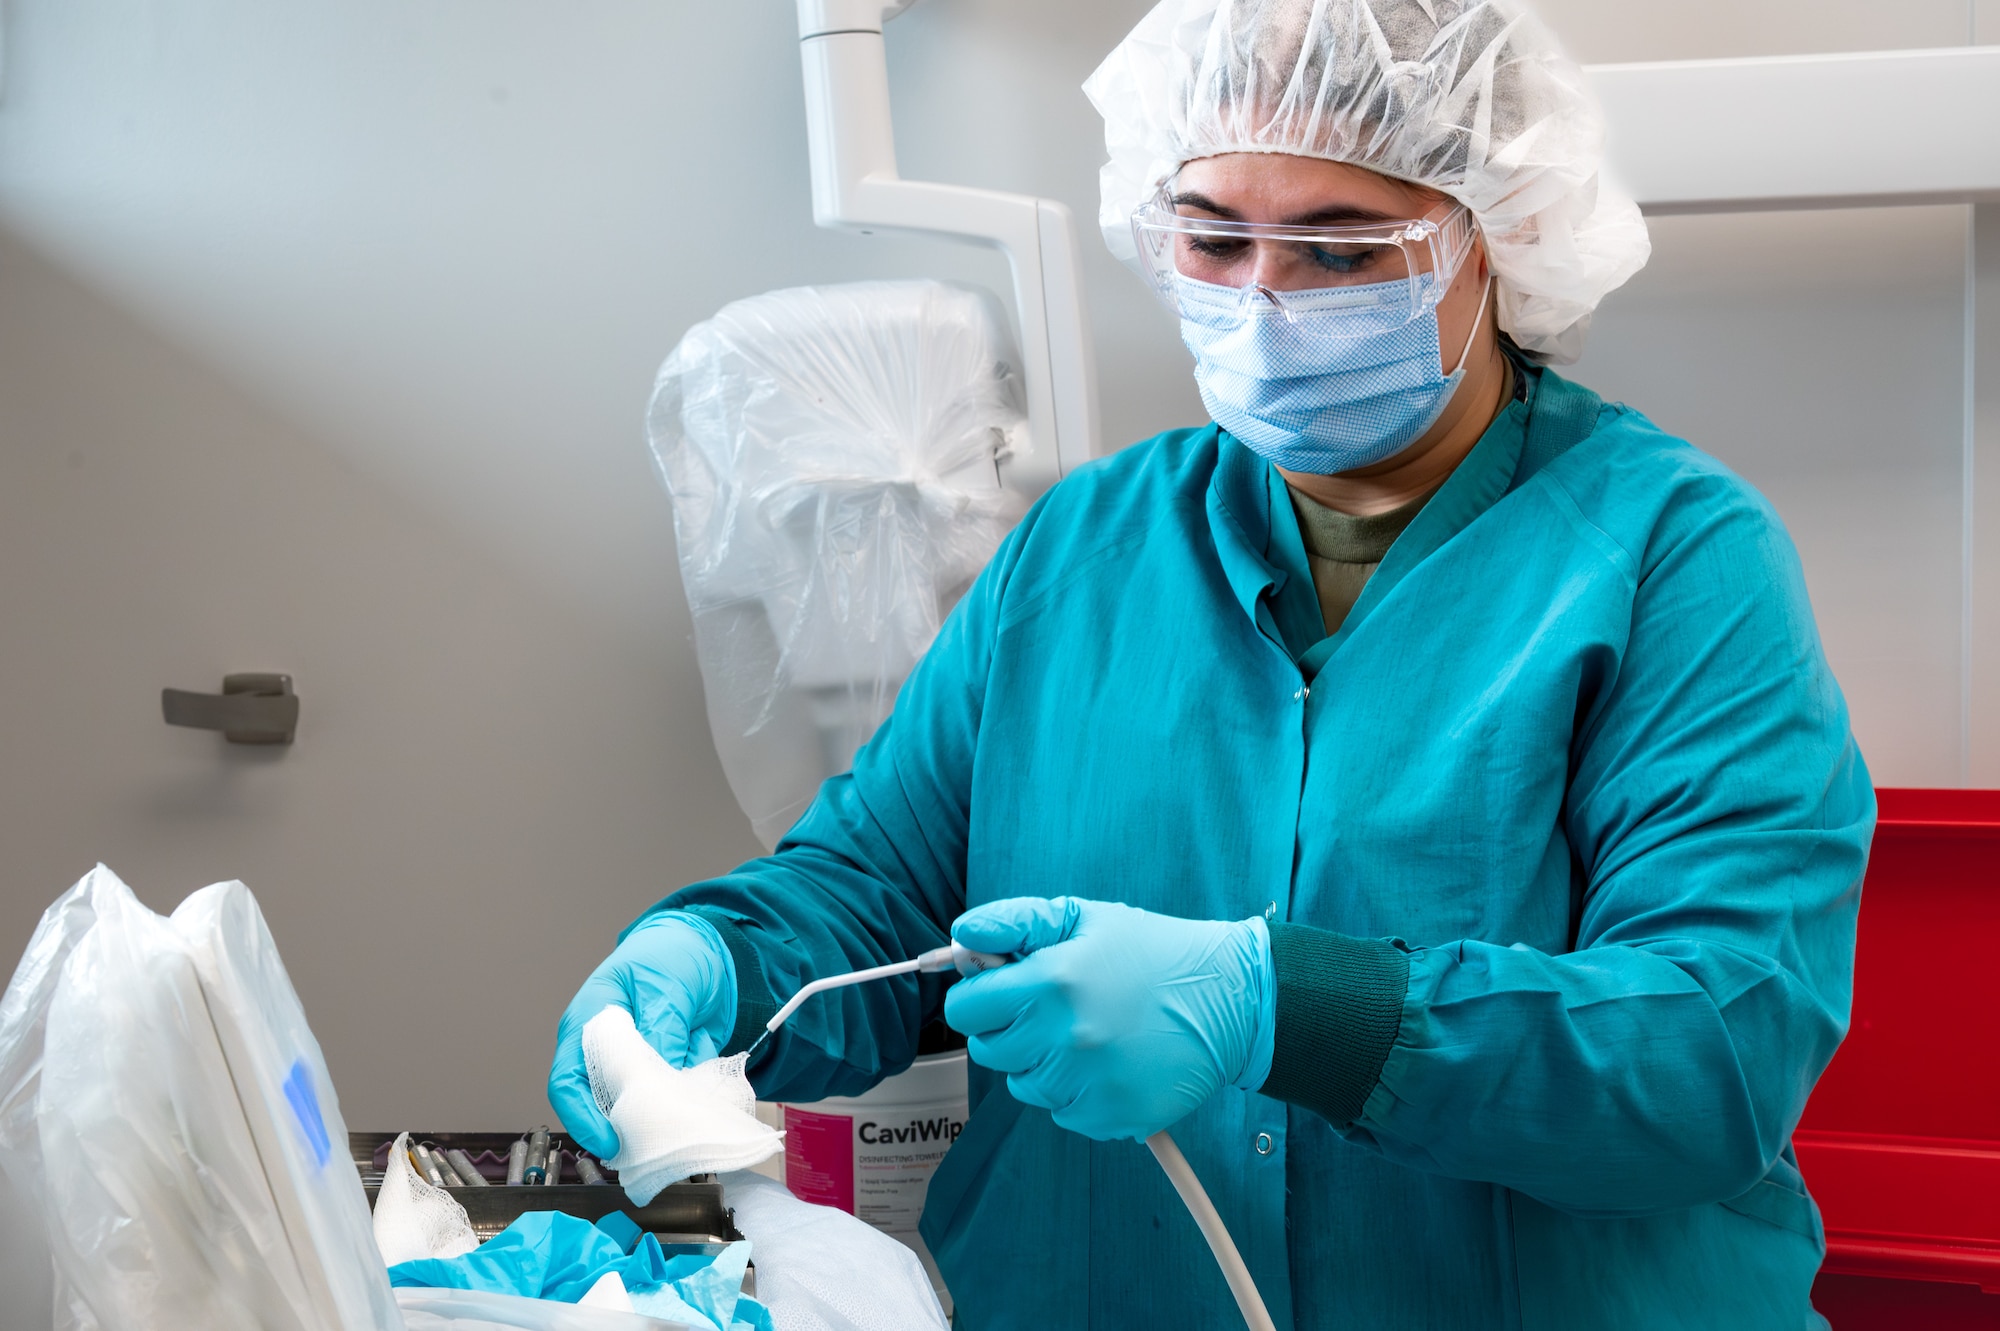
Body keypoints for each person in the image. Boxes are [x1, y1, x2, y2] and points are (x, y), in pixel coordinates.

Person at [550, 1, 1871, 1326]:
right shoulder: (1083, 547)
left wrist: (1279, 1010)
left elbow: (1713, 1054)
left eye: (1341, 248)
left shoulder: (1671, 559)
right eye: (1214, 235)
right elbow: (883, 888)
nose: (1263, 301)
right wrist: (715, 961)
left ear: (1499, 229)